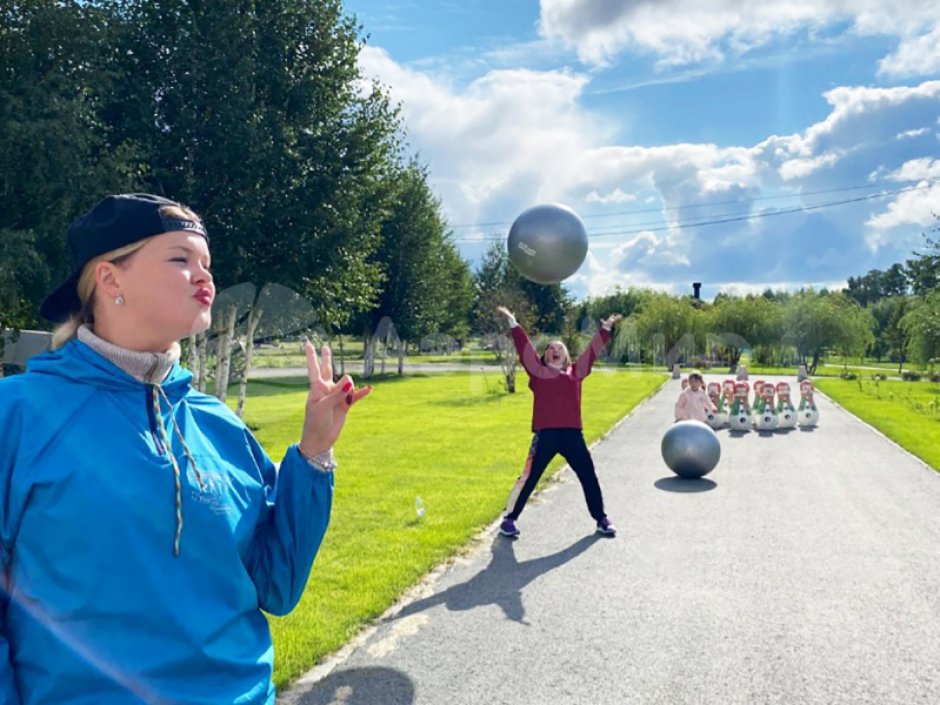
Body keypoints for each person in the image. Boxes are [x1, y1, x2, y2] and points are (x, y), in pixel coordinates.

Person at [0, 193, 371, 704]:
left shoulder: (219, 424)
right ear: (109, 279)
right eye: (180, 259)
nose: (205, 277)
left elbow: (277, 586)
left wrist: (314, 453)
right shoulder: (18, 415)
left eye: (207, 264)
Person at [496, 306, 622, 539]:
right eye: (551, 348)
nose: (555, 350)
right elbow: (525, 349)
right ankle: (509, 519)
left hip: (572, 435)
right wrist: (514, 323)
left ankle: (601, 518)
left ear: (566, 355)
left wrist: (605, 330)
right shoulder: (537, 371)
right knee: (529, 477)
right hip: (546, 435)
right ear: (545, 355)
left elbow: (591, 352)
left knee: (588, 475)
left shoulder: (576, 372)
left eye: (560, 348)